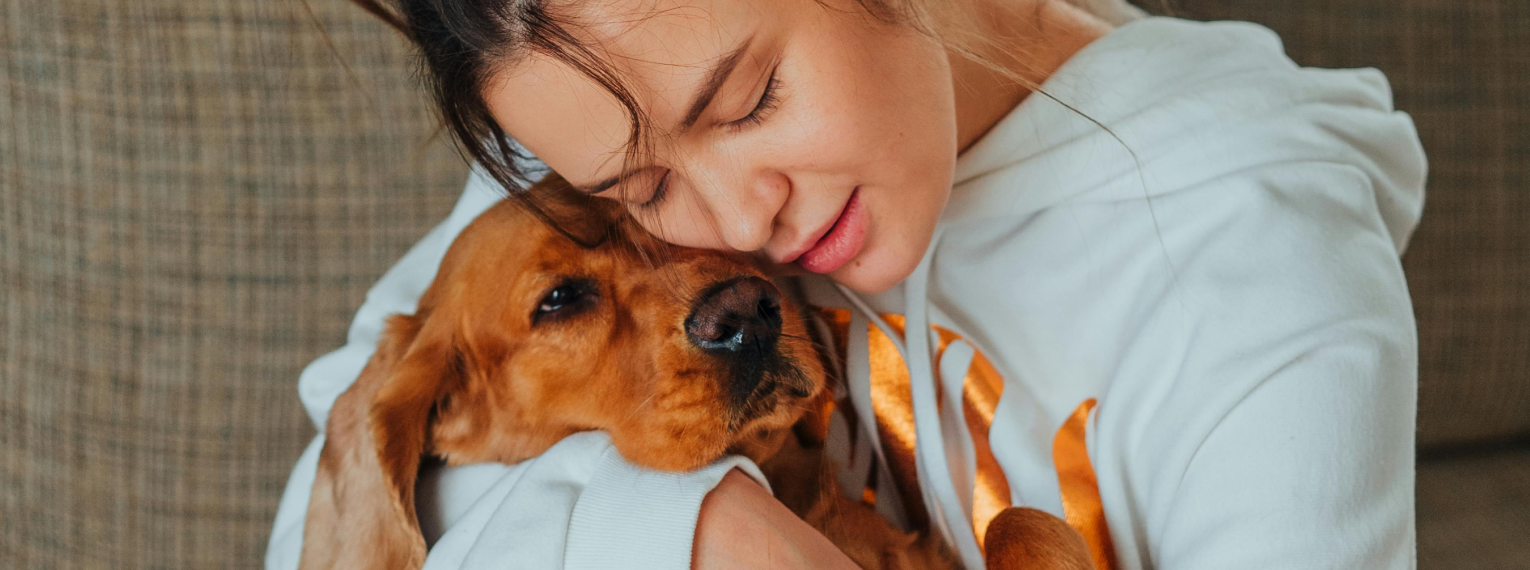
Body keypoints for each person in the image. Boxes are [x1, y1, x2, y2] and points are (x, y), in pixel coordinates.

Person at [266, 0, 1427, 568]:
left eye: (750, 101)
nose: (728, 233)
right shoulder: (602, 150)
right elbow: (327, 512)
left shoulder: (1265, 268)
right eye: (645, 189)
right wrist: (692, 530)